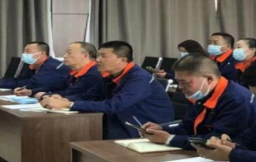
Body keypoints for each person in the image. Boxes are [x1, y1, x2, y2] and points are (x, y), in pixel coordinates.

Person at [42, 41, 174, 139]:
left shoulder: (139, 79)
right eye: (98, 55)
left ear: (122, 60)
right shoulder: (111, 76)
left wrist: (68, 104)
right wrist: (64, 99)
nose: (98, 60)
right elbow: (90, 95)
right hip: (119, 122)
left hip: (142, 129)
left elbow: (113, 106)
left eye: (103, 56)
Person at [140, 54, 256, 150]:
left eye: (185, 82)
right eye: (178, 81)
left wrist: (170, 139)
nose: (180, 87)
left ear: (209, 79)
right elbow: (188, 126)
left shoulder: (237, 100)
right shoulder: (204, 93)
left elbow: (216, 140)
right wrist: (162, 129)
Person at [16, 42, 103, 101]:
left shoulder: (94, 73)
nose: (64, 56)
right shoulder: (74, 71)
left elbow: (70, 93)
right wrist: (31, 91)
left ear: (85, 55)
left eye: (69, 53)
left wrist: (45, 95)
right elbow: (57, 86)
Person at [0, 41, 70, 91]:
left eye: (28, 51)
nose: (24, 54)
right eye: (24, 51)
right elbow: (20, 80)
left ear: (42, 53)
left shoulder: (52, 66)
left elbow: (32, 84)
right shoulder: (34, 65)